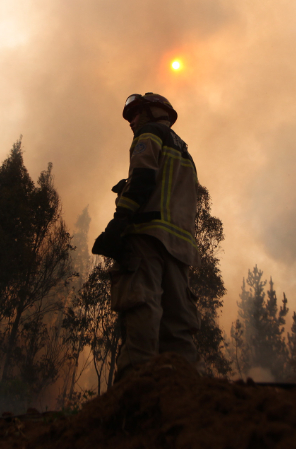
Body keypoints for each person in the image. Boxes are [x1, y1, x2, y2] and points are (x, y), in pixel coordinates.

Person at [92, 92, 201, 380]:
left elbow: (143, 179)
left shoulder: (149, 135)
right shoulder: (186, 153)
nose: (132, 121)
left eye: (137, 113)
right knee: (178, 327)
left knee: (141, 310)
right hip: (179, 251)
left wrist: (118, 223)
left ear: (154, 113)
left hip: (145, 240)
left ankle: (134, 396)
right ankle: (185, 396)